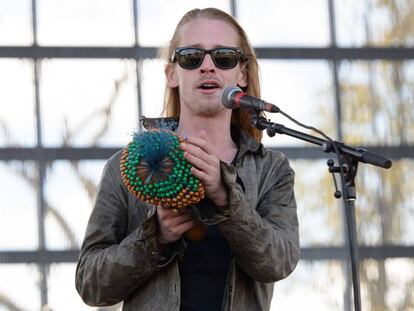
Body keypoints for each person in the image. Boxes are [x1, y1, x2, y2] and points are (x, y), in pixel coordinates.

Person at [75, 7, 299, 311]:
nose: (208, 67)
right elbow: (90, 285)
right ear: (172, 74)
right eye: (192, 57)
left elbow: (279, 262)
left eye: (223, 57)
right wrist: (155, 237)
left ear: (242, 74)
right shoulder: (127, 165)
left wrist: (225, 197)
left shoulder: (272, 169)